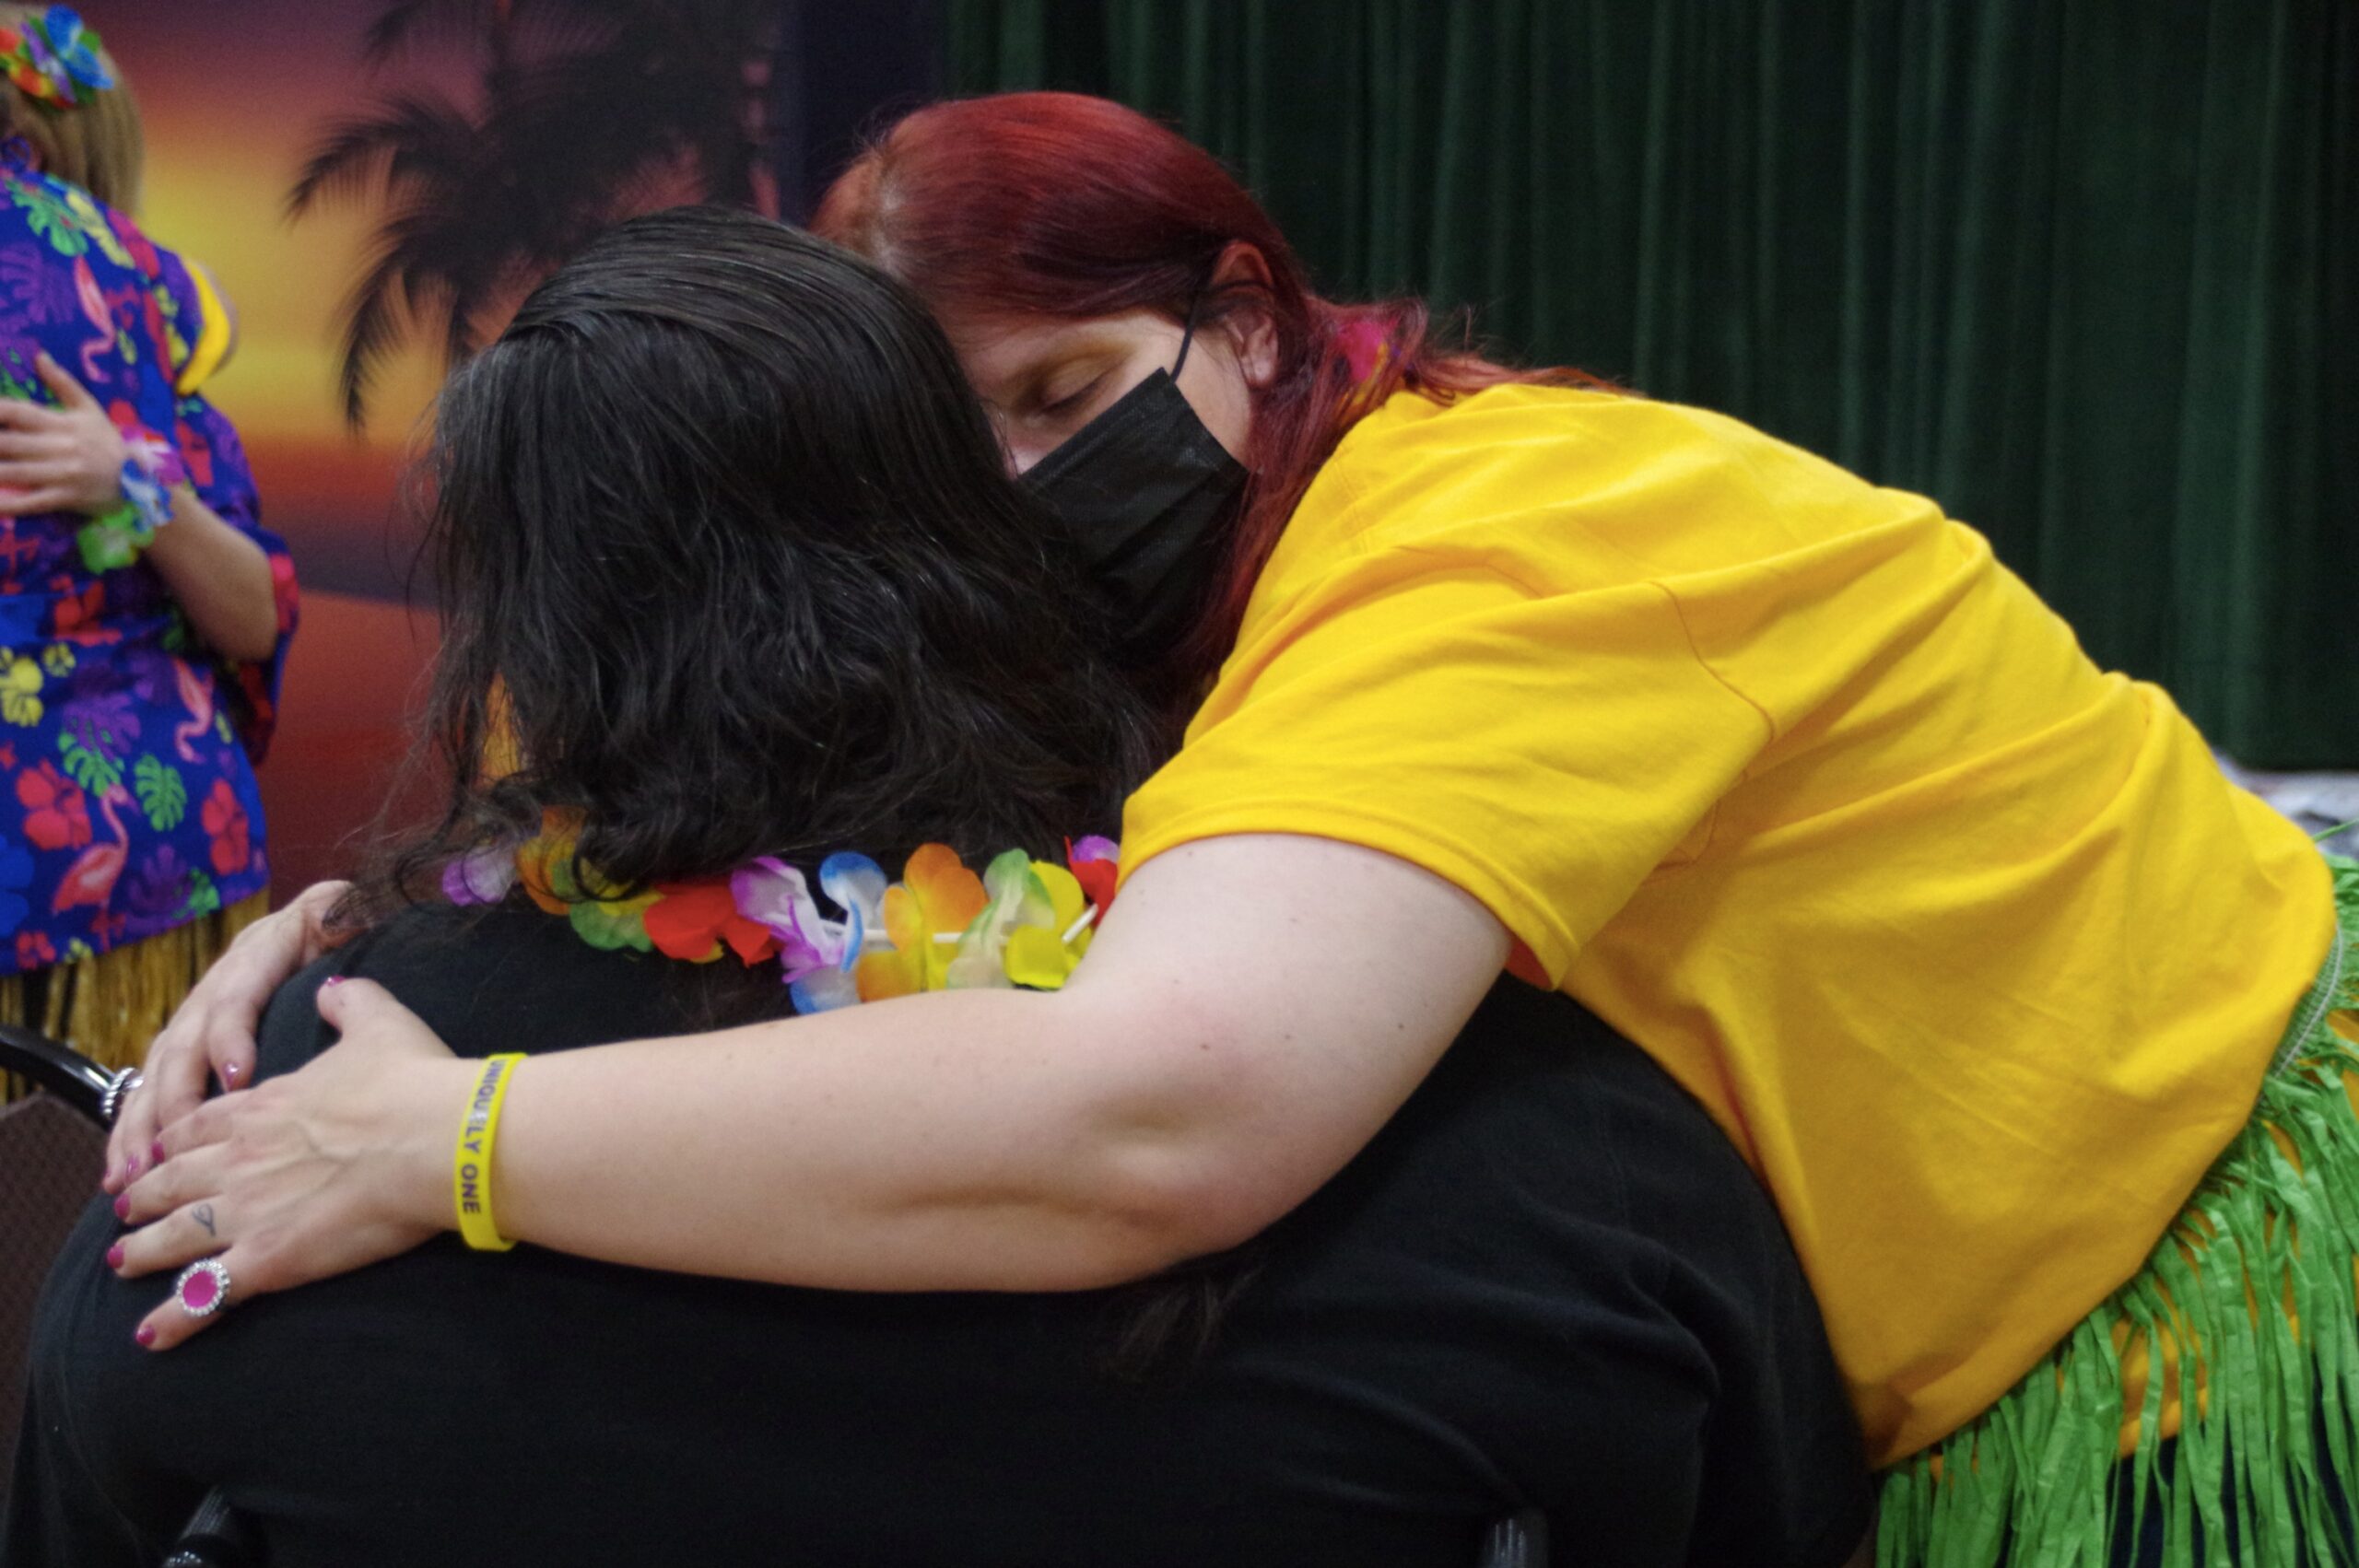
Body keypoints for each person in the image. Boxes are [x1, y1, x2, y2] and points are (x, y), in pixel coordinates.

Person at [105, 92, 2353, 1564]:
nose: (1020, 487)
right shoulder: (1152, 595)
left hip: (2153, 1313)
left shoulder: (1507, 533)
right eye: (953, 445)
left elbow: (1166, 1108)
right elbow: (645, 749)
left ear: (1251, 319)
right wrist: (338, 933)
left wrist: (445, 1133)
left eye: (1065, 394)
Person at [3, 207, 1872, 1566]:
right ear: (982, 535)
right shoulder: (1518, 1123)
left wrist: (376, 1015)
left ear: (521, 637)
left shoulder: (250, 1159)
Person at [0, 4, 293, 1071]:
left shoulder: (127, 303)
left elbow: (251, 612)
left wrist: (125, 478)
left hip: (115, 864)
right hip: (140, 859)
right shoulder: (146, 290)